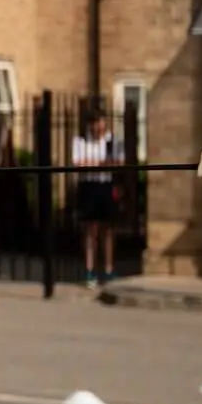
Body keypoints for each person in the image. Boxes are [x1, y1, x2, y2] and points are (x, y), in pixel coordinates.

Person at [70, 104, 121, 288]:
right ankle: (90, 270)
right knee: (90, 230)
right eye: (95, 123)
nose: (99, 127)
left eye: (101, 122)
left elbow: (117, 162)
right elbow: (77, 163)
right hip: (88, 186)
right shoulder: (81, 141)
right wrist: (99, 163)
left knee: (108, 229)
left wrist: (94, 163)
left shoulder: (111, 141)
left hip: (105, 185)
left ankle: (108, 269)